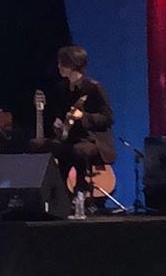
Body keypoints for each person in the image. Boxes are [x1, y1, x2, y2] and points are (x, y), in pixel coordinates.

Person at [29, 45, 115, 192]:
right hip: (71, 138)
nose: (59, 67)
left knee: (78, 150)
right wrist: (58, 124)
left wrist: (84, 117)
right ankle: (55, 190)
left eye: (63, 64)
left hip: (92, 140)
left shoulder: (93, 88)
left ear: (74, 65)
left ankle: (80, 189)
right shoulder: (61, 89)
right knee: (38, 144)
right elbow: (60, 117)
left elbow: (108, 118)